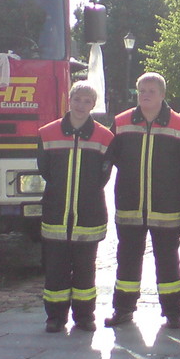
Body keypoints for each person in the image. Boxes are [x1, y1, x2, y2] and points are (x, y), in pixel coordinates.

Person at [106, 72, 180, 330]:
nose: (145, 95)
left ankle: (173, 312)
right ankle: (123, 309)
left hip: (166, 207)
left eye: (151, 91)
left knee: (168, 260)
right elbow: (110, 159)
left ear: (162, 95)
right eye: (141, 90)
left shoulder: (179, 125)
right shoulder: (121, 122)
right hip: (130, 204)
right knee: (127, 258)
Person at [36, 81, 114, 333]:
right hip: (56, 211)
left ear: (93, 105)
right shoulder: (47, 133)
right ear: (69, 100)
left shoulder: (104, 136)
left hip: (89, 213)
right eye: (77, 99)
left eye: (87, 101)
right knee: (55, 268)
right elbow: (45, 170)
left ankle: (84, 317)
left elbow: (103, 176)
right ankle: (55, 317)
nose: (81, 105)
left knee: (85, 269)